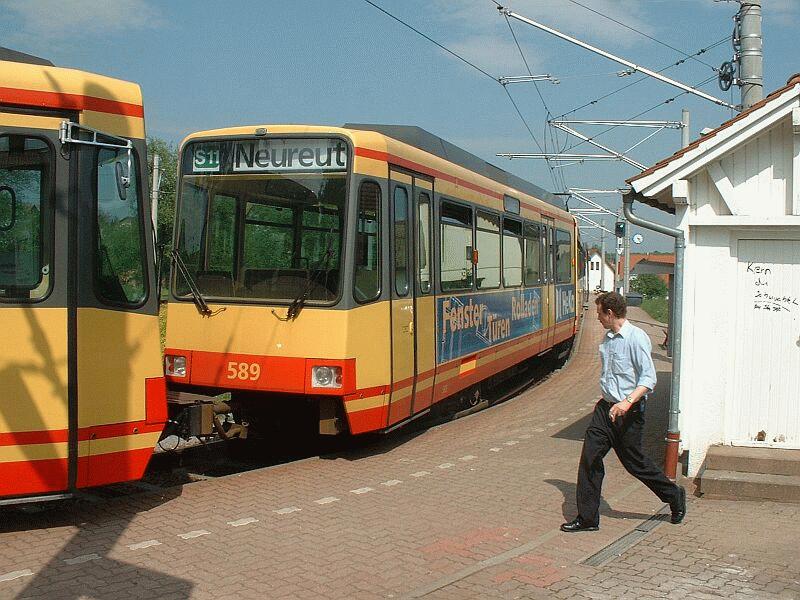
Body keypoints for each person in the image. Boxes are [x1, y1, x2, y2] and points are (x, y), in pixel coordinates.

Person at [561, 292, 686, 533]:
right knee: (590, 458)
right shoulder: (608, 339)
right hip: (605, 409)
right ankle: (587, 518)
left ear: (610, 313)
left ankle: (673, 495)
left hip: (629, 412)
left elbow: (649, 378)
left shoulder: (636, 338)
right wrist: (611, 402)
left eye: (599, 313)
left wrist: (626, 403)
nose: (596, 318)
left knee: (634, 464)